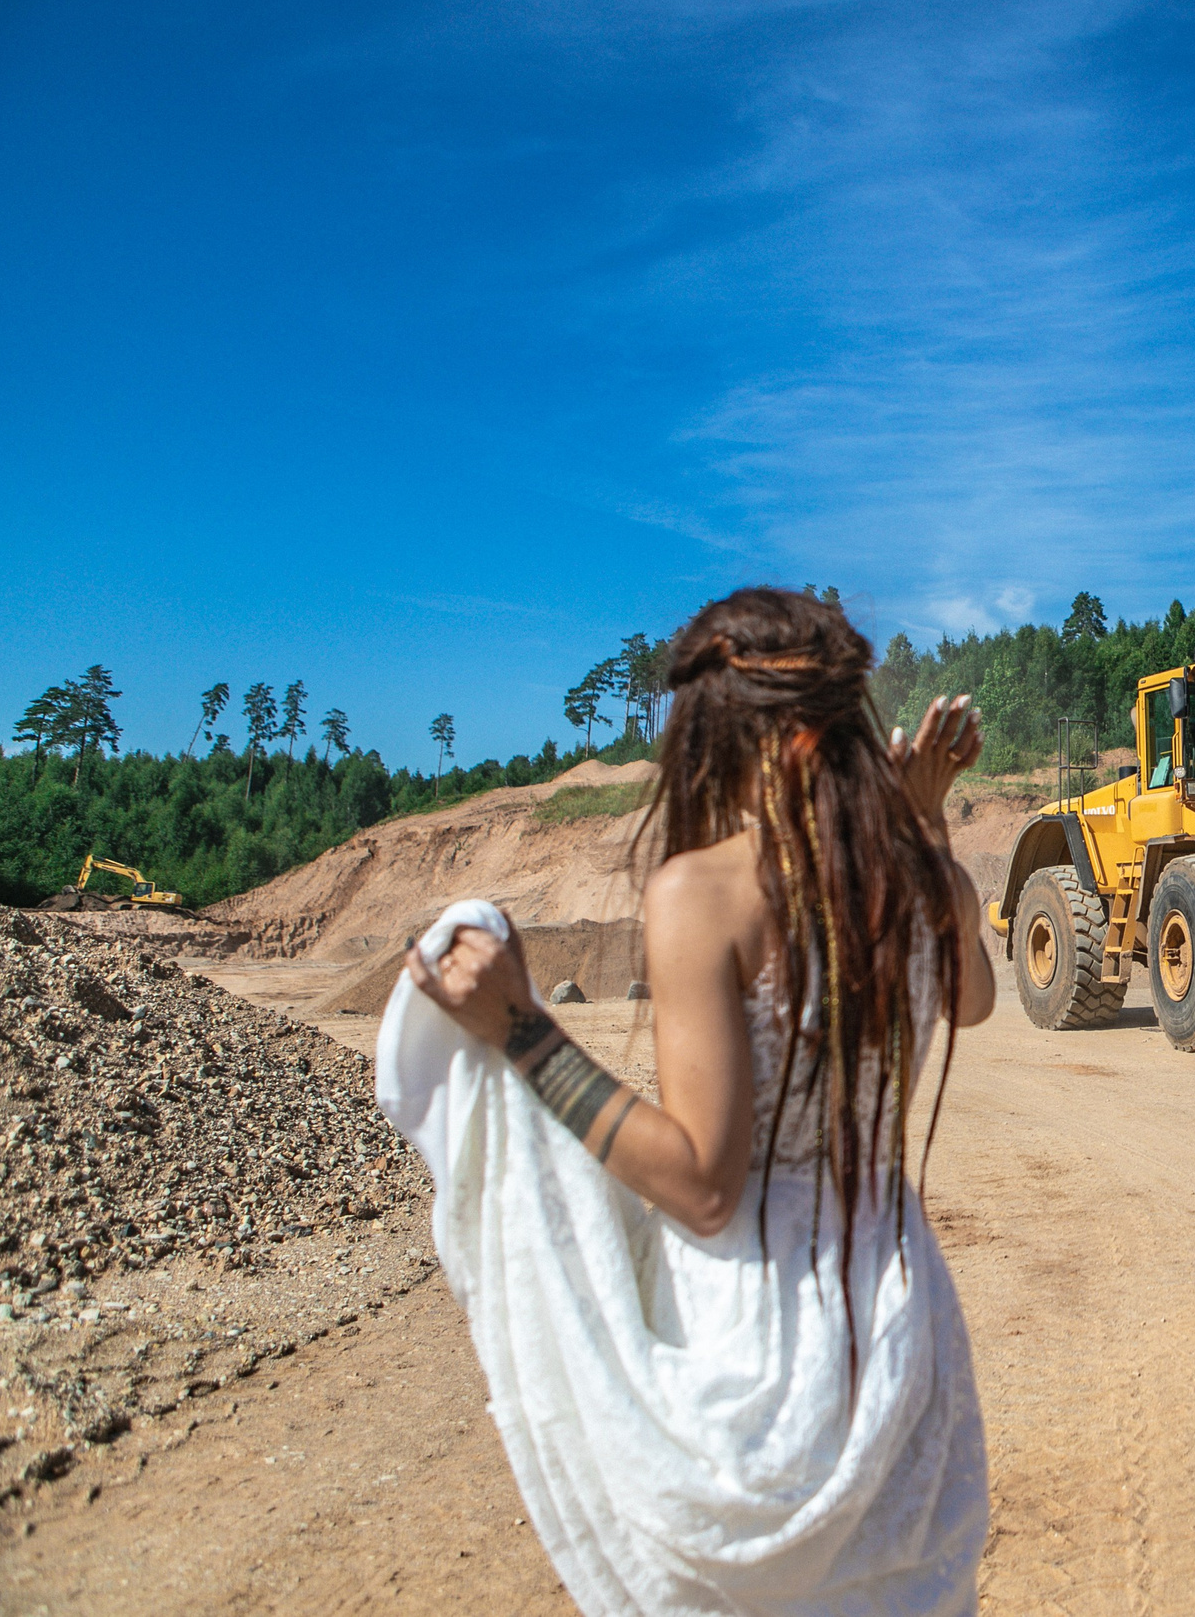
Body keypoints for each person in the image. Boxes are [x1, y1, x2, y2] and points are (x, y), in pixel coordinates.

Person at [381, 586, 995, 1617]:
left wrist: (523, 1031)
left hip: (764, 1339)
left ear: (722, 731)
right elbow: (973, 999)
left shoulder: (701, 892)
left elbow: (706, 1188)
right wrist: (920, 817)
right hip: (904, 1333)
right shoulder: (922, 873)